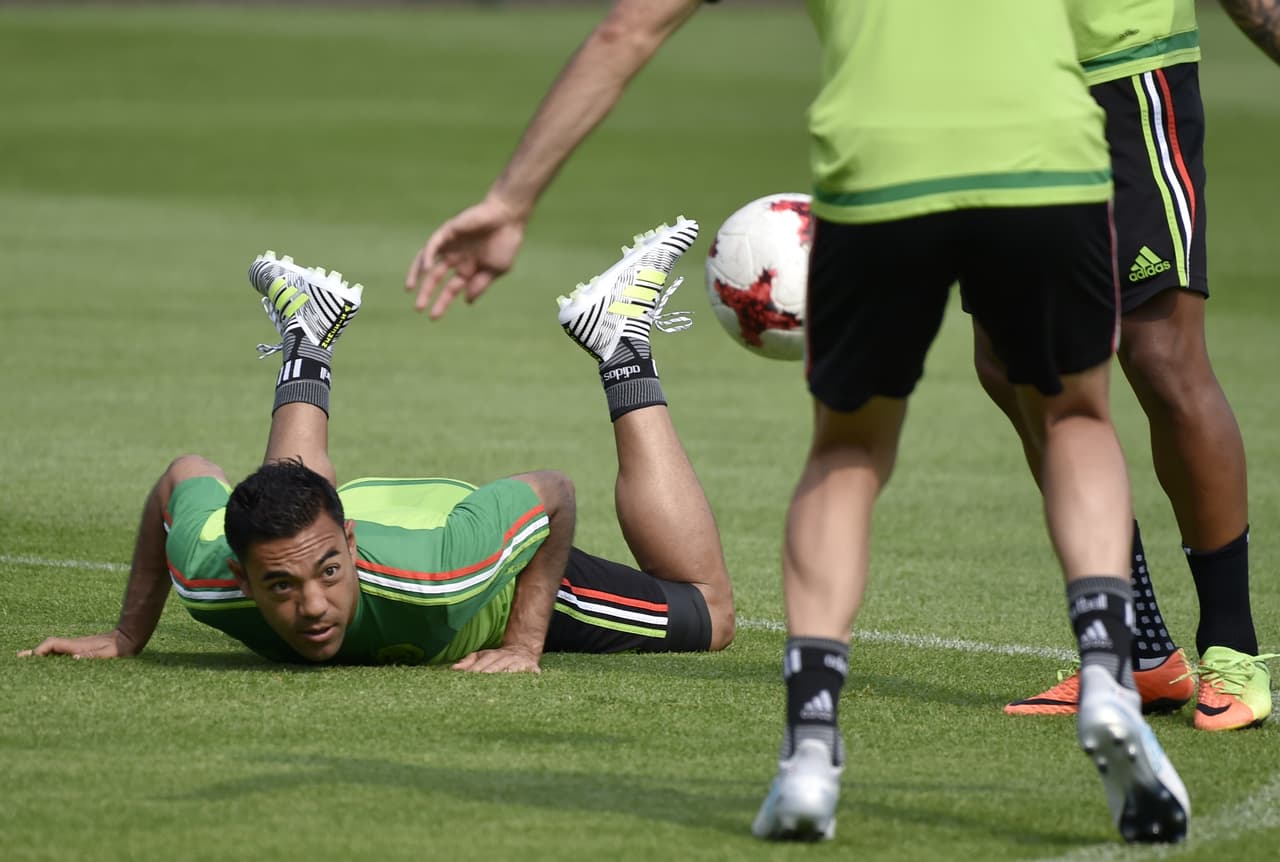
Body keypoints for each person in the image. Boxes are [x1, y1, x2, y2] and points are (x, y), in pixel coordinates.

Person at [401, 0, 1190, 845]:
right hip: (1048, 161)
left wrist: (511, 200)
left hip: (881, 168)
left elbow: (629, 28)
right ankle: (1109, 675)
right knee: (1074, 421)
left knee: (847, 453)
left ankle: (811, 745)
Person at [19, 240, 734, 669]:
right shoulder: (210, 577)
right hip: (353, 516)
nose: (313, 607)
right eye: (281, 587)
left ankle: (621, 342)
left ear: (351, 547)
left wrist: (522, 642)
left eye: (330, 572)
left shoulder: (447, 574)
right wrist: (127, 635)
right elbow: (182, 477)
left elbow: (554, 492)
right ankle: (307, 334)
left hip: (483, 559)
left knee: (710, 615)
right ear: (240, 575)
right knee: (287, 501)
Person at [978, 0, 1279, 731]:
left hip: (1120, 68)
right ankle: (1137, 649)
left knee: (1161, 354)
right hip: (988, 88)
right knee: (1015, 366)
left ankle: (1232, 647)